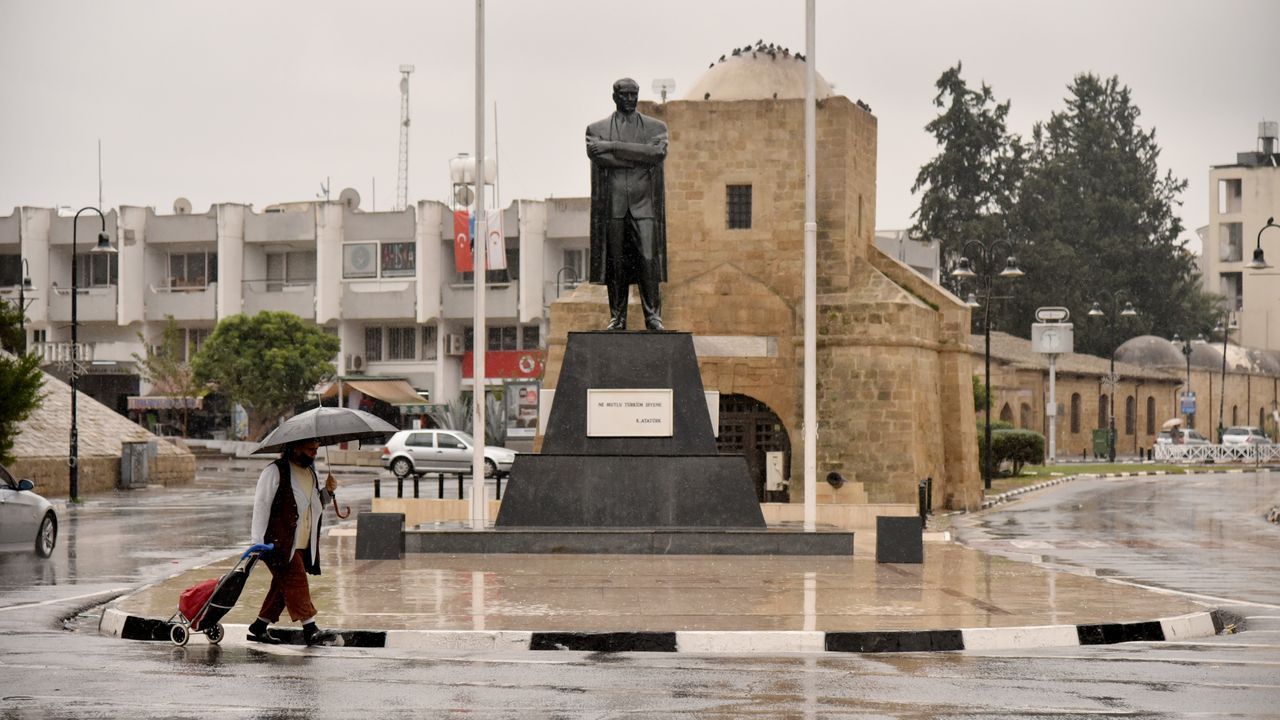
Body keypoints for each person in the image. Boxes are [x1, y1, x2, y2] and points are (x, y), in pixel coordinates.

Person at [586, 77, 669, 331]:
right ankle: (618, 316)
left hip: (644, 206)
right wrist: (640, 158)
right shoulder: (596, 130)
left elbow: (657, 154)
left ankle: (652, 316)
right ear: (615, 97)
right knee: (616, 263)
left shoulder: (656, 128)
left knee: (648, 260)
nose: (631, 99)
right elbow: (598, 157)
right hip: (614, 205)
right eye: (625, 95)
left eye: (634, 94)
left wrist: (612, 147)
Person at [247, 438, 338, 645]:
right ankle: (310, 629)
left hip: (302, 542)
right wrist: (257, 542)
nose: (314, 453)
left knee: (283, 586)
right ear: (296, 448)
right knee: (296, 579)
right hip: (277, 543)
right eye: (310, 449)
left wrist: (328, 491)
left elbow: (315, 505)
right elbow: (261, 505)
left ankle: (259, 626)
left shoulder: (310, 473)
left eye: (316, 449)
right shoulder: (275, 471)